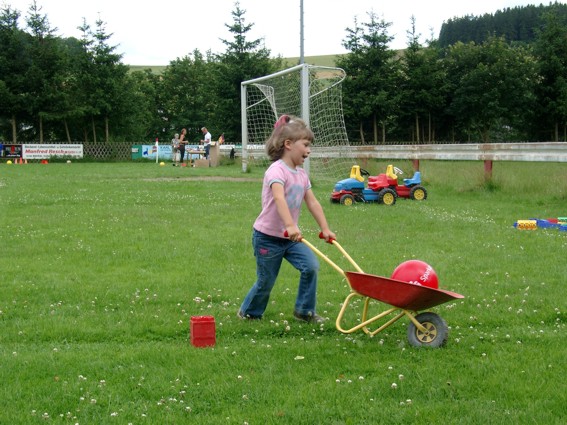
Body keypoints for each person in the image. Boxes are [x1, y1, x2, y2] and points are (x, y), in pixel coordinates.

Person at [238, 115, 336, 324]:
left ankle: (304, 311)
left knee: (310, 267)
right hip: (267, 237)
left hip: (291, 239)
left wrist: (325, 228)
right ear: (288, 144)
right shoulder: (276, 170)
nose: (309, 150)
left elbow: (312, 202)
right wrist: (290, 225)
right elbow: (278, 197)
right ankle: (249, 313)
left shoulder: (301, 175)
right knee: (266, 280)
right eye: (306, 145)